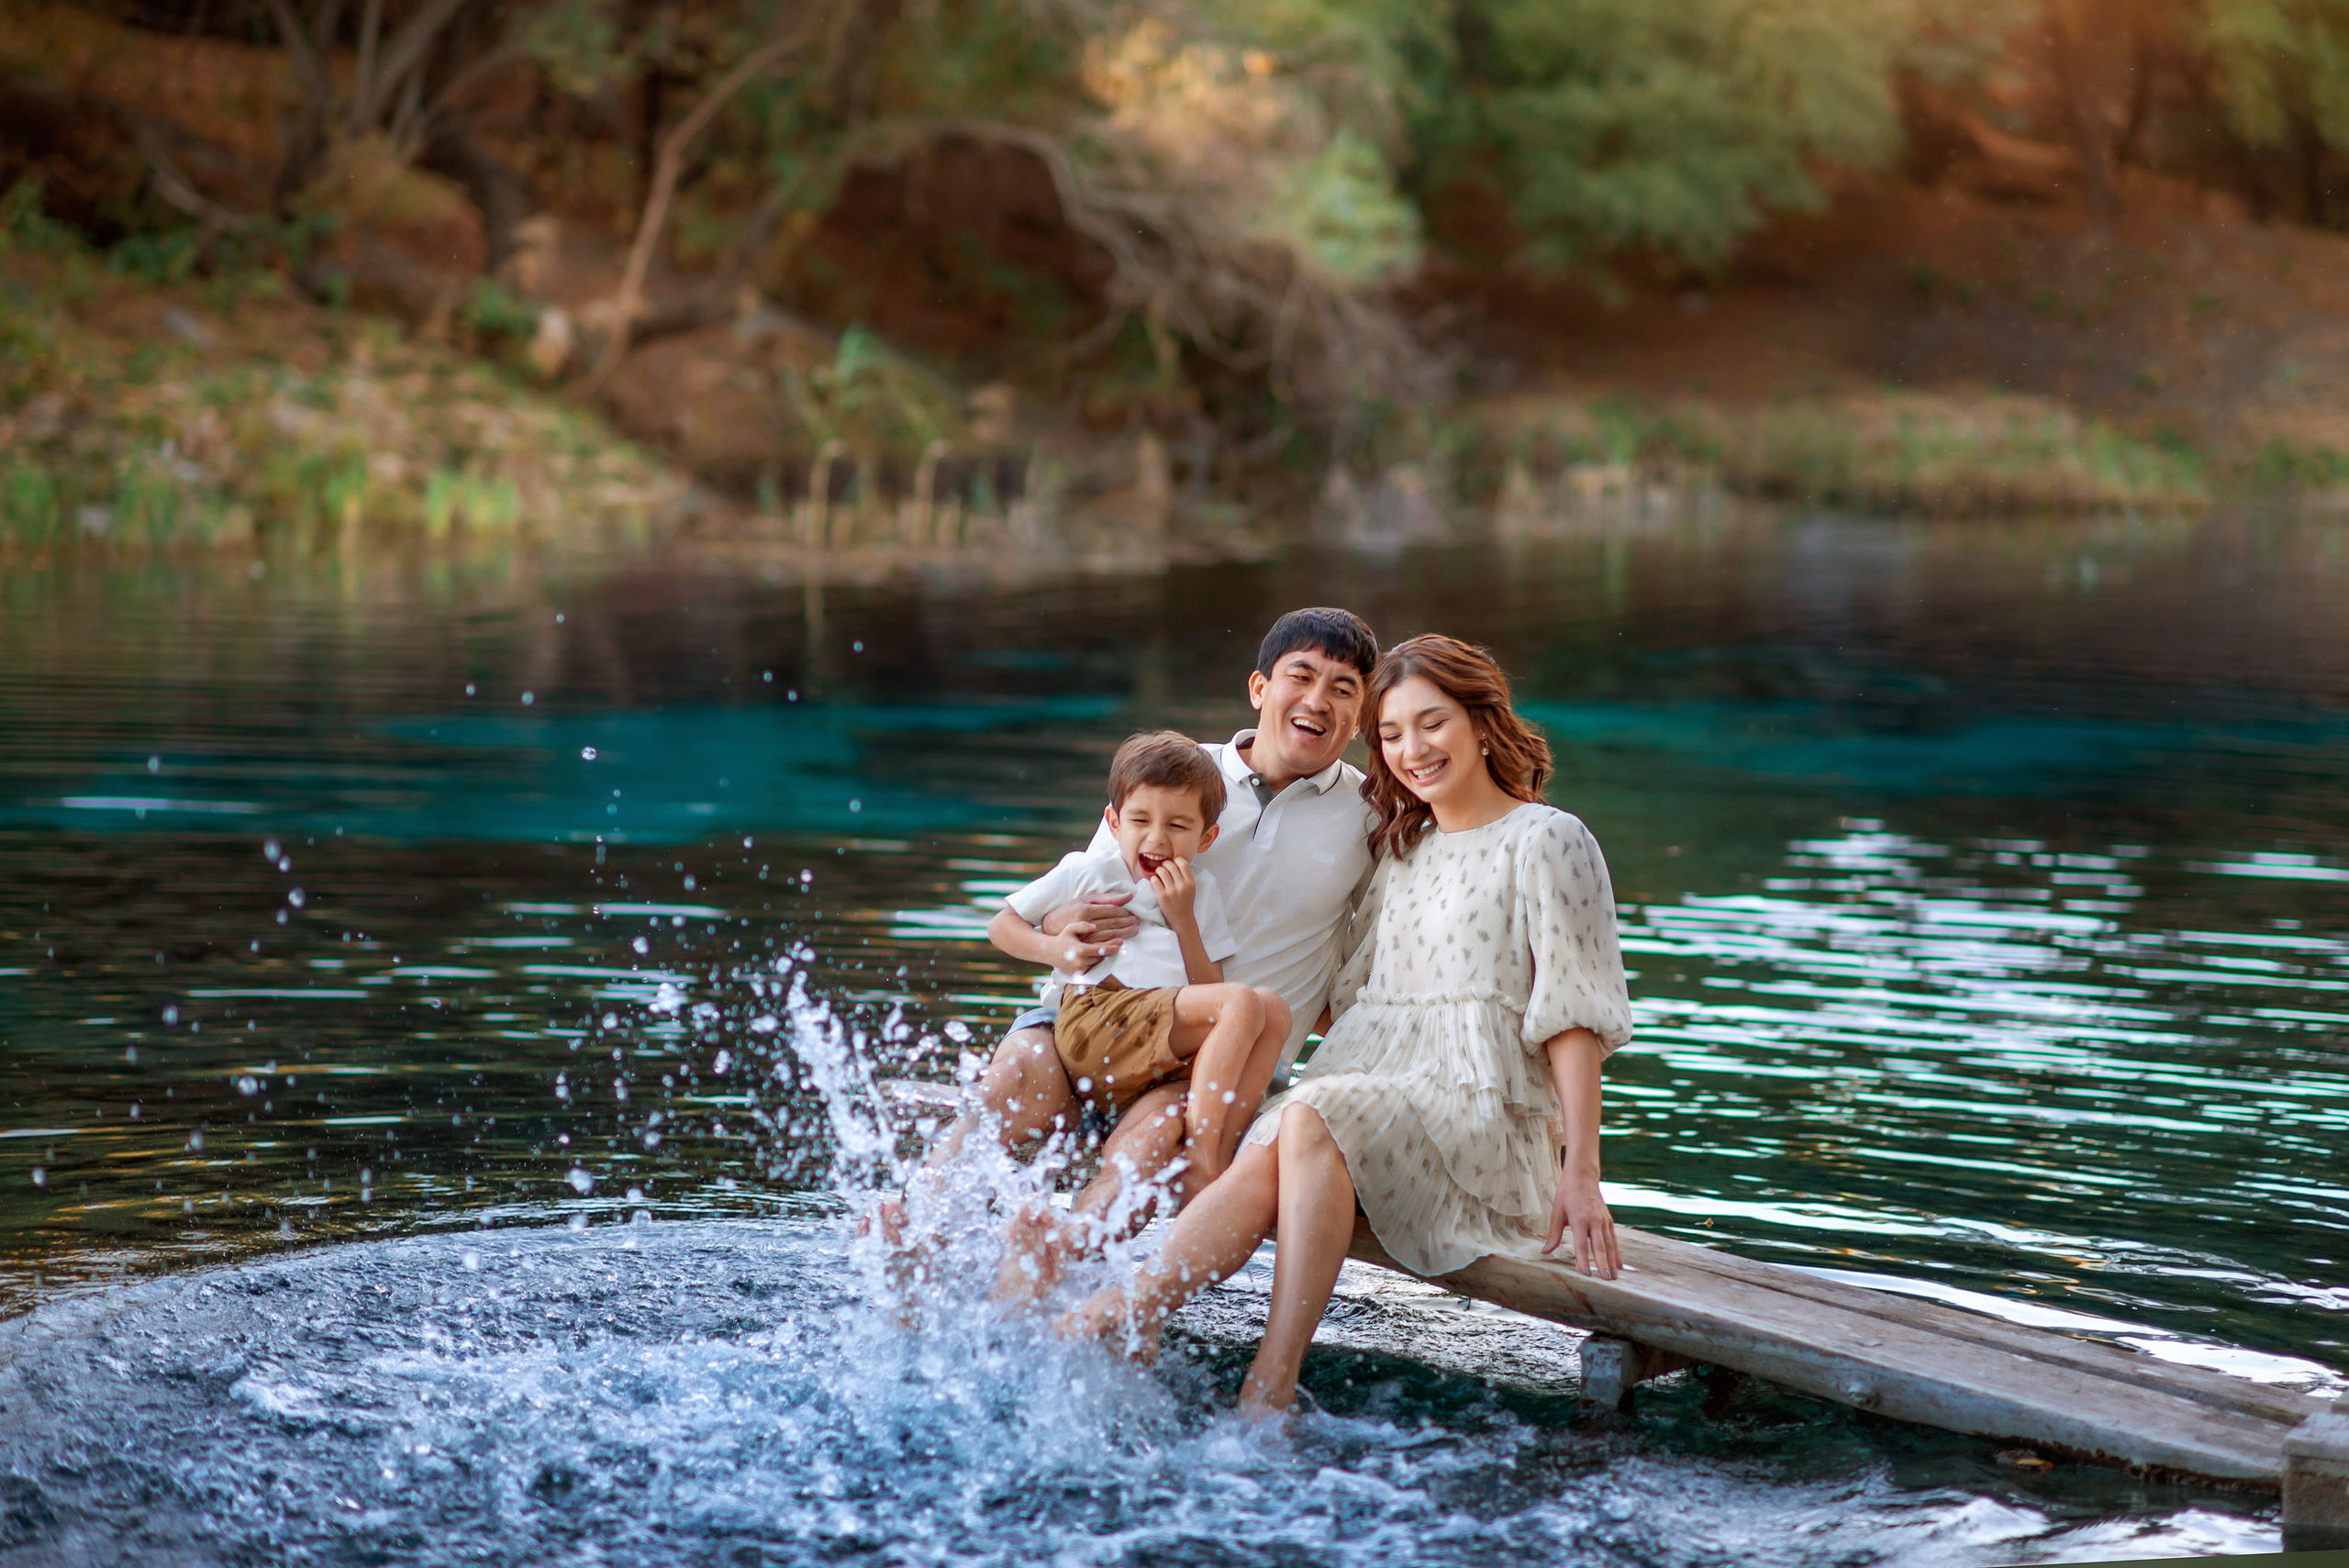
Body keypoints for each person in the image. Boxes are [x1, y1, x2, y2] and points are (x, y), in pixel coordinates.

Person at [1060, 634, 1634, 1412]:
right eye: (1392, 734)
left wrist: (1583, 1172)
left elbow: (1572, 1018)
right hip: (1368, 1084)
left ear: (1480, 720)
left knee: (1310, 1110)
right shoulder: (1400, 844)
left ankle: (1267, 1374)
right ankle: (1141, 1316)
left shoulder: (1548, 838)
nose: (1411, 750)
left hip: (1479, 1119)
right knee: (1282, 1126)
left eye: (1431, 724)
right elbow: (1348, 990)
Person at [886, 607, 1380, 1251]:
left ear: (1363, 713)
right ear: (1260, 688)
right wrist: (1063, 924)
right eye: (1302, 676)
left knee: (1145, 1148)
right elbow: (1079, 899)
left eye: (1343, 688)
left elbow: (1361, 967)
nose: (1318, 700)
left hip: (1212, 1071)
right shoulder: (1176, 775)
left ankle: (1050, 1265)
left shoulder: (1372, 818)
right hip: (1101, 1016)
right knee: (1015, 1074)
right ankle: (906, 1237)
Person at [982, 730, 1288, 1202]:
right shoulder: (1090, 870)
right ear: (1114, 821)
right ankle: (1205, 1162)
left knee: (1267, 1008)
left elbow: (1210, 988)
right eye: (1140, 819)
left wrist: (1183, 916)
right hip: (1099, 1017)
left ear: (1207, 837)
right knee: (1245, 1002)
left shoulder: (1198, 892)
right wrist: (1055, 951)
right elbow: (1002, 925)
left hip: (1153, 1054)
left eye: (1179, 826)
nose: (1157, 838)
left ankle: (1071, 1233)